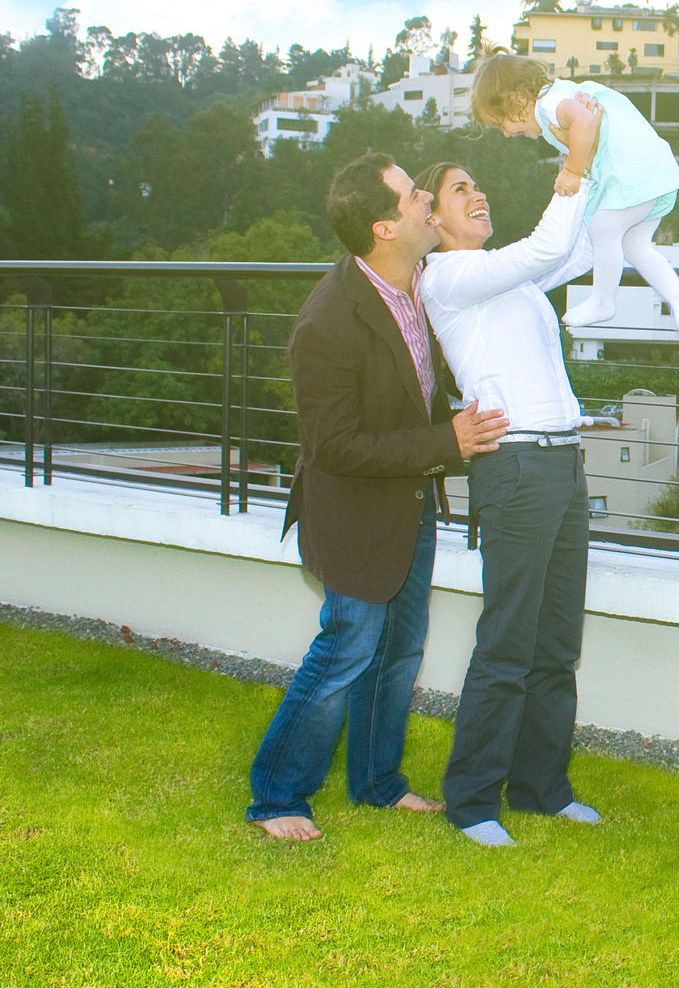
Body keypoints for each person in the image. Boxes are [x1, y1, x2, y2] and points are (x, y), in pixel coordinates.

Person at [246, 151, 510, 841]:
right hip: (354, 517)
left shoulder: (422, 282)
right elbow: (334, 447)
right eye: (412, 196)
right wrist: (444, 444)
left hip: (408, 506)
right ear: (383, 229)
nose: (427, 200)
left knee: (399, 652)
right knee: (345, 651)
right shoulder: (326, 324)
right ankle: (276, 795)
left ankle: (377, 784)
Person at [414, 159, 604, 848]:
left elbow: (576, 249)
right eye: (461, 189)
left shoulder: (509, 280)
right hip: (518, 467)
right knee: (509, 641)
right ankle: (471, 802)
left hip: (561, 461)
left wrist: (606, 183)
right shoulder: (448, 276)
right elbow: (549, 248)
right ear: (432, 220)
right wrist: (572, 168)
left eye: (477, 181)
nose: (479, 191)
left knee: (556, 642)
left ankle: (541, 789)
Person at [471, 53, 679, 336]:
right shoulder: (561, 93)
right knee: (635, 246)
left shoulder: (549, 104)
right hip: (649, 170)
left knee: (602, 226)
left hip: (630, 173)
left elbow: (584, 120)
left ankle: (603, 301)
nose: (505, 133)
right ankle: (678, 295)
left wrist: (572, 171)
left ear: (517, 100)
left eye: (499, 123)